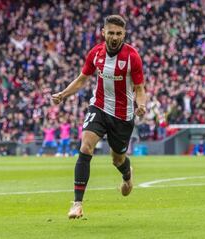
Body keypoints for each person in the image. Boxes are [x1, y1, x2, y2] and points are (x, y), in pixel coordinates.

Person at [51, 15, 146, 219]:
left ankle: (127, 176)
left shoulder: (132, 56)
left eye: (118, 33)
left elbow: (139, 88)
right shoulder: (96, 53)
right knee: (86, 146)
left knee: (117, 159)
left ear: (124, 34)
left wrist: (142, 104)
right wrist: (63, 94)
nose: (114, 37)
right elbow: (82, 79)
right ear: (103, 32)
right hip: (99, 107)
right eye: (110, 32)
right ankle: (77, 203)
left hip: (122, 115)